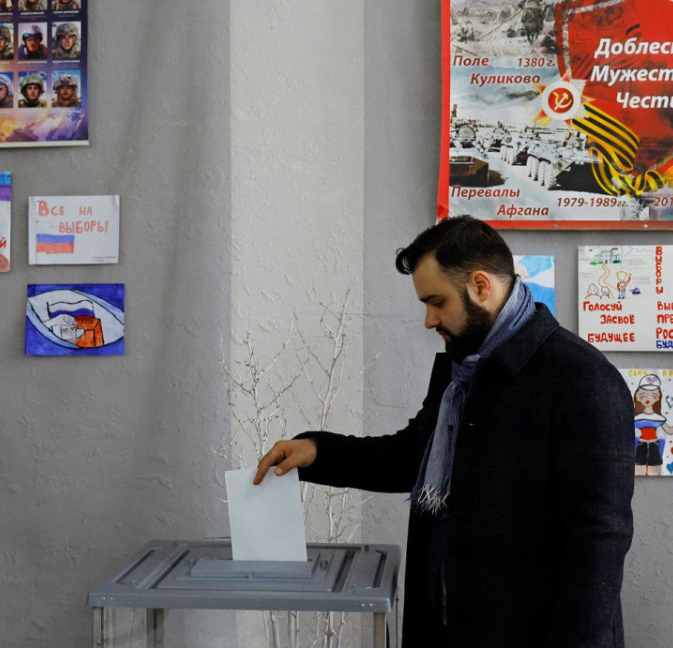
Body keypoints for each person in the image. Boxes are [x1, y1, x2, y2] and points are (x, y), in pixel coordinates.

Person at [254, 216, 635, 647]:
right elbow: (411, 457)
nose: (429, 320)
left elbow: (599, 541)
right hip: (447, 624)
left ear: (480, 286)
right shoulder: (462, 372)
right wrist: (317, 452)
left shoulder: (582, 379)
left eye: (436, 302)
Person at [631, 374, 673, 477]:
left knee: (655, 472)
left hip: (655, 446)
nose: (648, 398)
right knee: (638, 472)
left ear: (657, 398)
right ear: (638, 397)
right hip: (640, 446)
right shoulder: (635, 417)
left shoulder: (659, 418)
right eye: (644, 395)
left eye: (653, 395)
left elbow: (670, 430)